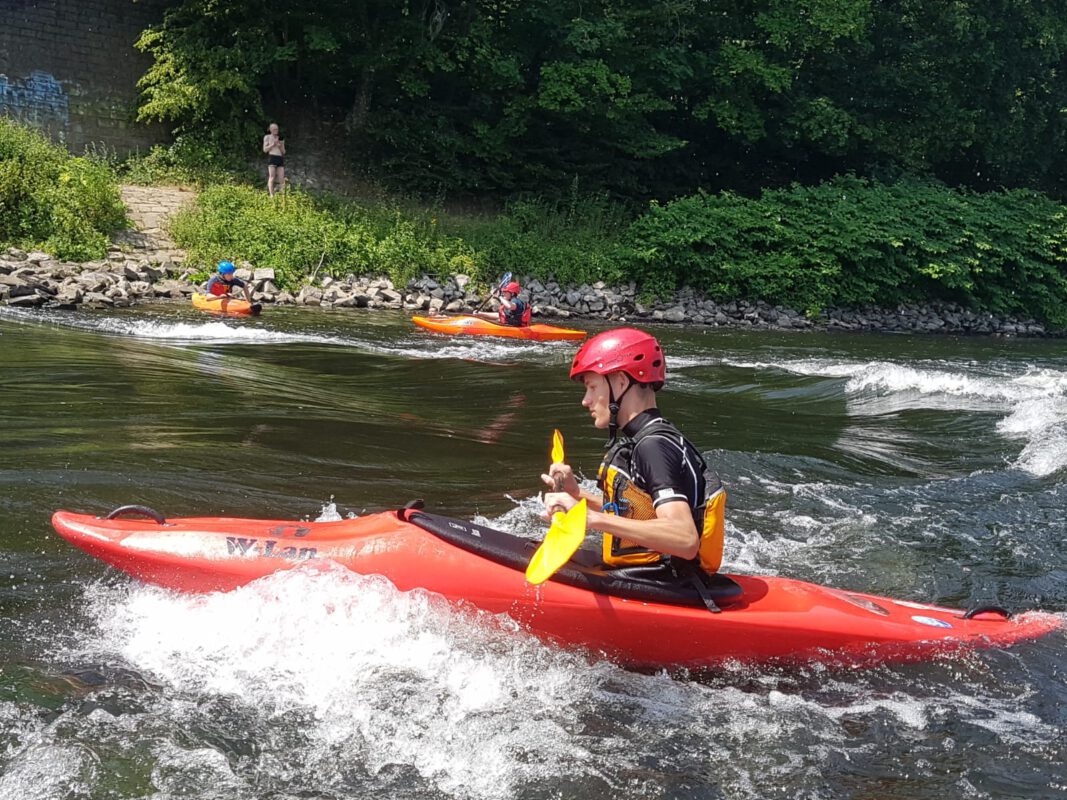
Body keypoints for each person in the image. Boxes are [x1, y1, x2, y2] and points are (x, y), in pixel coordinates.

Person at [541, 328, 727, 586]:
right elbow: (641, 512)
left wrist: (592, 519)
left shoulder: (652, 447)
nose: (586, 401)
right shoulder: (653, 437)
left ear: (620, 381)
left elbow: (684, 538)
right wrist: (577, 495)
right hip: (662, 578)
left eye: (592, 387)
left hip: (670, 586)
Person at [263, 123, 286, 196]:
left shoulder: (280, 138)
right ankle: (271, 195)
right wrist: (273, 144)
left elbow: (284, 152)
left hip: (279, 158)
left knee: (282, 178)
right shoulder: (267, 137)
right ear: (270, 130)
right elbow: (265, 150)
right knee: (272, 177)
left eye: (277, 129)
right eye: (274, 129)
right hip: (272, 157)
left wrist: (280, 146)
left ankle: (283, 196)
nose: (276, 130)